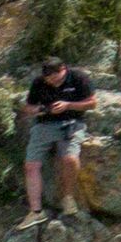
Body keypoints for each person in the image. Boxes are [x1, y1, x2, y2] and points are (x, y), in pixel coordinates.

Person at [20, 53, 95, 219]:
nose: (53, 82)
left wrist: (68, 105)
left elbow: (92, 103)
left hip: (71, 123)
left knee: (69, 159)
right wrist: (44, 110)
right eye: (49, 79)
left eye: (56, 78)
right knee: (31, 165)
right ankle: (35, 211)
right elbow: (28, 108)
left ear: (63, 69)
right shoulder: (39, 83)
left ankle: (67, 198)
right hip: (44, 124)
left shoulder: (78, 77)